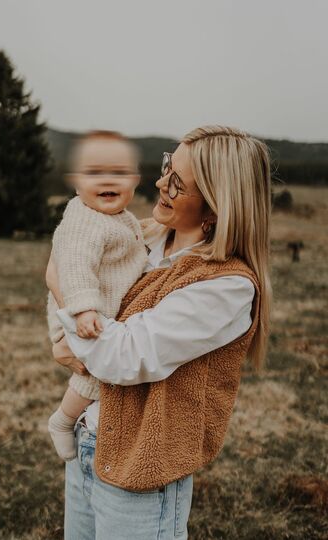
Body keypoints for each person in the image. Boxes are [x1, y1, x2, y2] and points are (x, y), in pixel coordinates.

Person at [52, 125, 272, 540]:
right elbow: (74, 244)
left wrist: (59, 286)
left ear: (214, 207)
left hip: (141, 473)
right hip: (89, 442)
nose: (159, 183)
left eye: (177, 182)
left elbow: (123, 356)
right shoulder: (142, 240)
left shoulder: (226, 286)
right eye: (166, 166)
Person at [46, 130, 148, 461]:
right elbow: (74, 266)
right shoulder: (83, 220)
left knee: (99, 371)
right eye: (94, 173)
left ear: (134, 181)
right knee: (94, 376)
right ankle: (62, 420)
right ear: (76, 184)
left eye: (119, 173)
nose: (108, 180)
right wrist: (83, 310)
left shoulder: (122, 218)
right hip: (79, 312)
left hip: (93, 313)